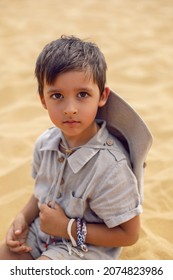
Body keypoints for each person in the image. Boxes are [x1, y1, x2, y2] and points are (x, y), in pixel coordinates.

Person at [0, 35, 152, 260]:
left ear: (102, 96)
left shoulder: (111, 166)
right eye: (57, 96)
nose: (70, 108)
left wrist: (67, 228)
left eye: (82, 95)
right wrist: (22, 217)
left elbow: (129, 234)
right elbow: (40, 192)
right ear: (43, 100)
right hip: (41, 233)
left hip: (85, 247)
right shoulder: (45, 144)